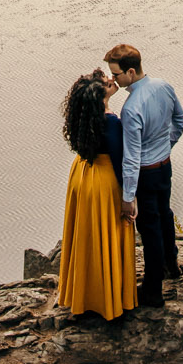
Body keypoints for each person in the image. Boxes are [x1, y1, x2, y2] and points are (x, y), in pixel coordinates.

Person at [104, 41, 183, 309]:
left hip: (146, 173)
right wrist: (166, 145)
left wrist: (128, 197)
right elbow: (180, 121)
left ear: (130, 72)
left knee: (149, 230)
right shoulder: (164, 86)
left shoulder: (131, 109)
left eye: (116, 75)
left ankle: (153, 290)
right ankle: (172, 265)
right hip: (165, 165)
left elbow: (131, 157)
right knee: (166, 214)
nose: (114, 79)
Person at [56, 68, 137, 324]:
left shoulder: (83, 117)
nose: (112, 81)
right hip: (103, 180)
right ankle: (108, 299)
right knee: (108, 233)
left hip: (82, 174)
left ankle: (84, 296)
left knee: (87, 235)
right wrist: (129, 198)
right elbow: (120, 160)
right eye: (106, 81)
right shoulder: (110, 121)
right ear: (100, 94)